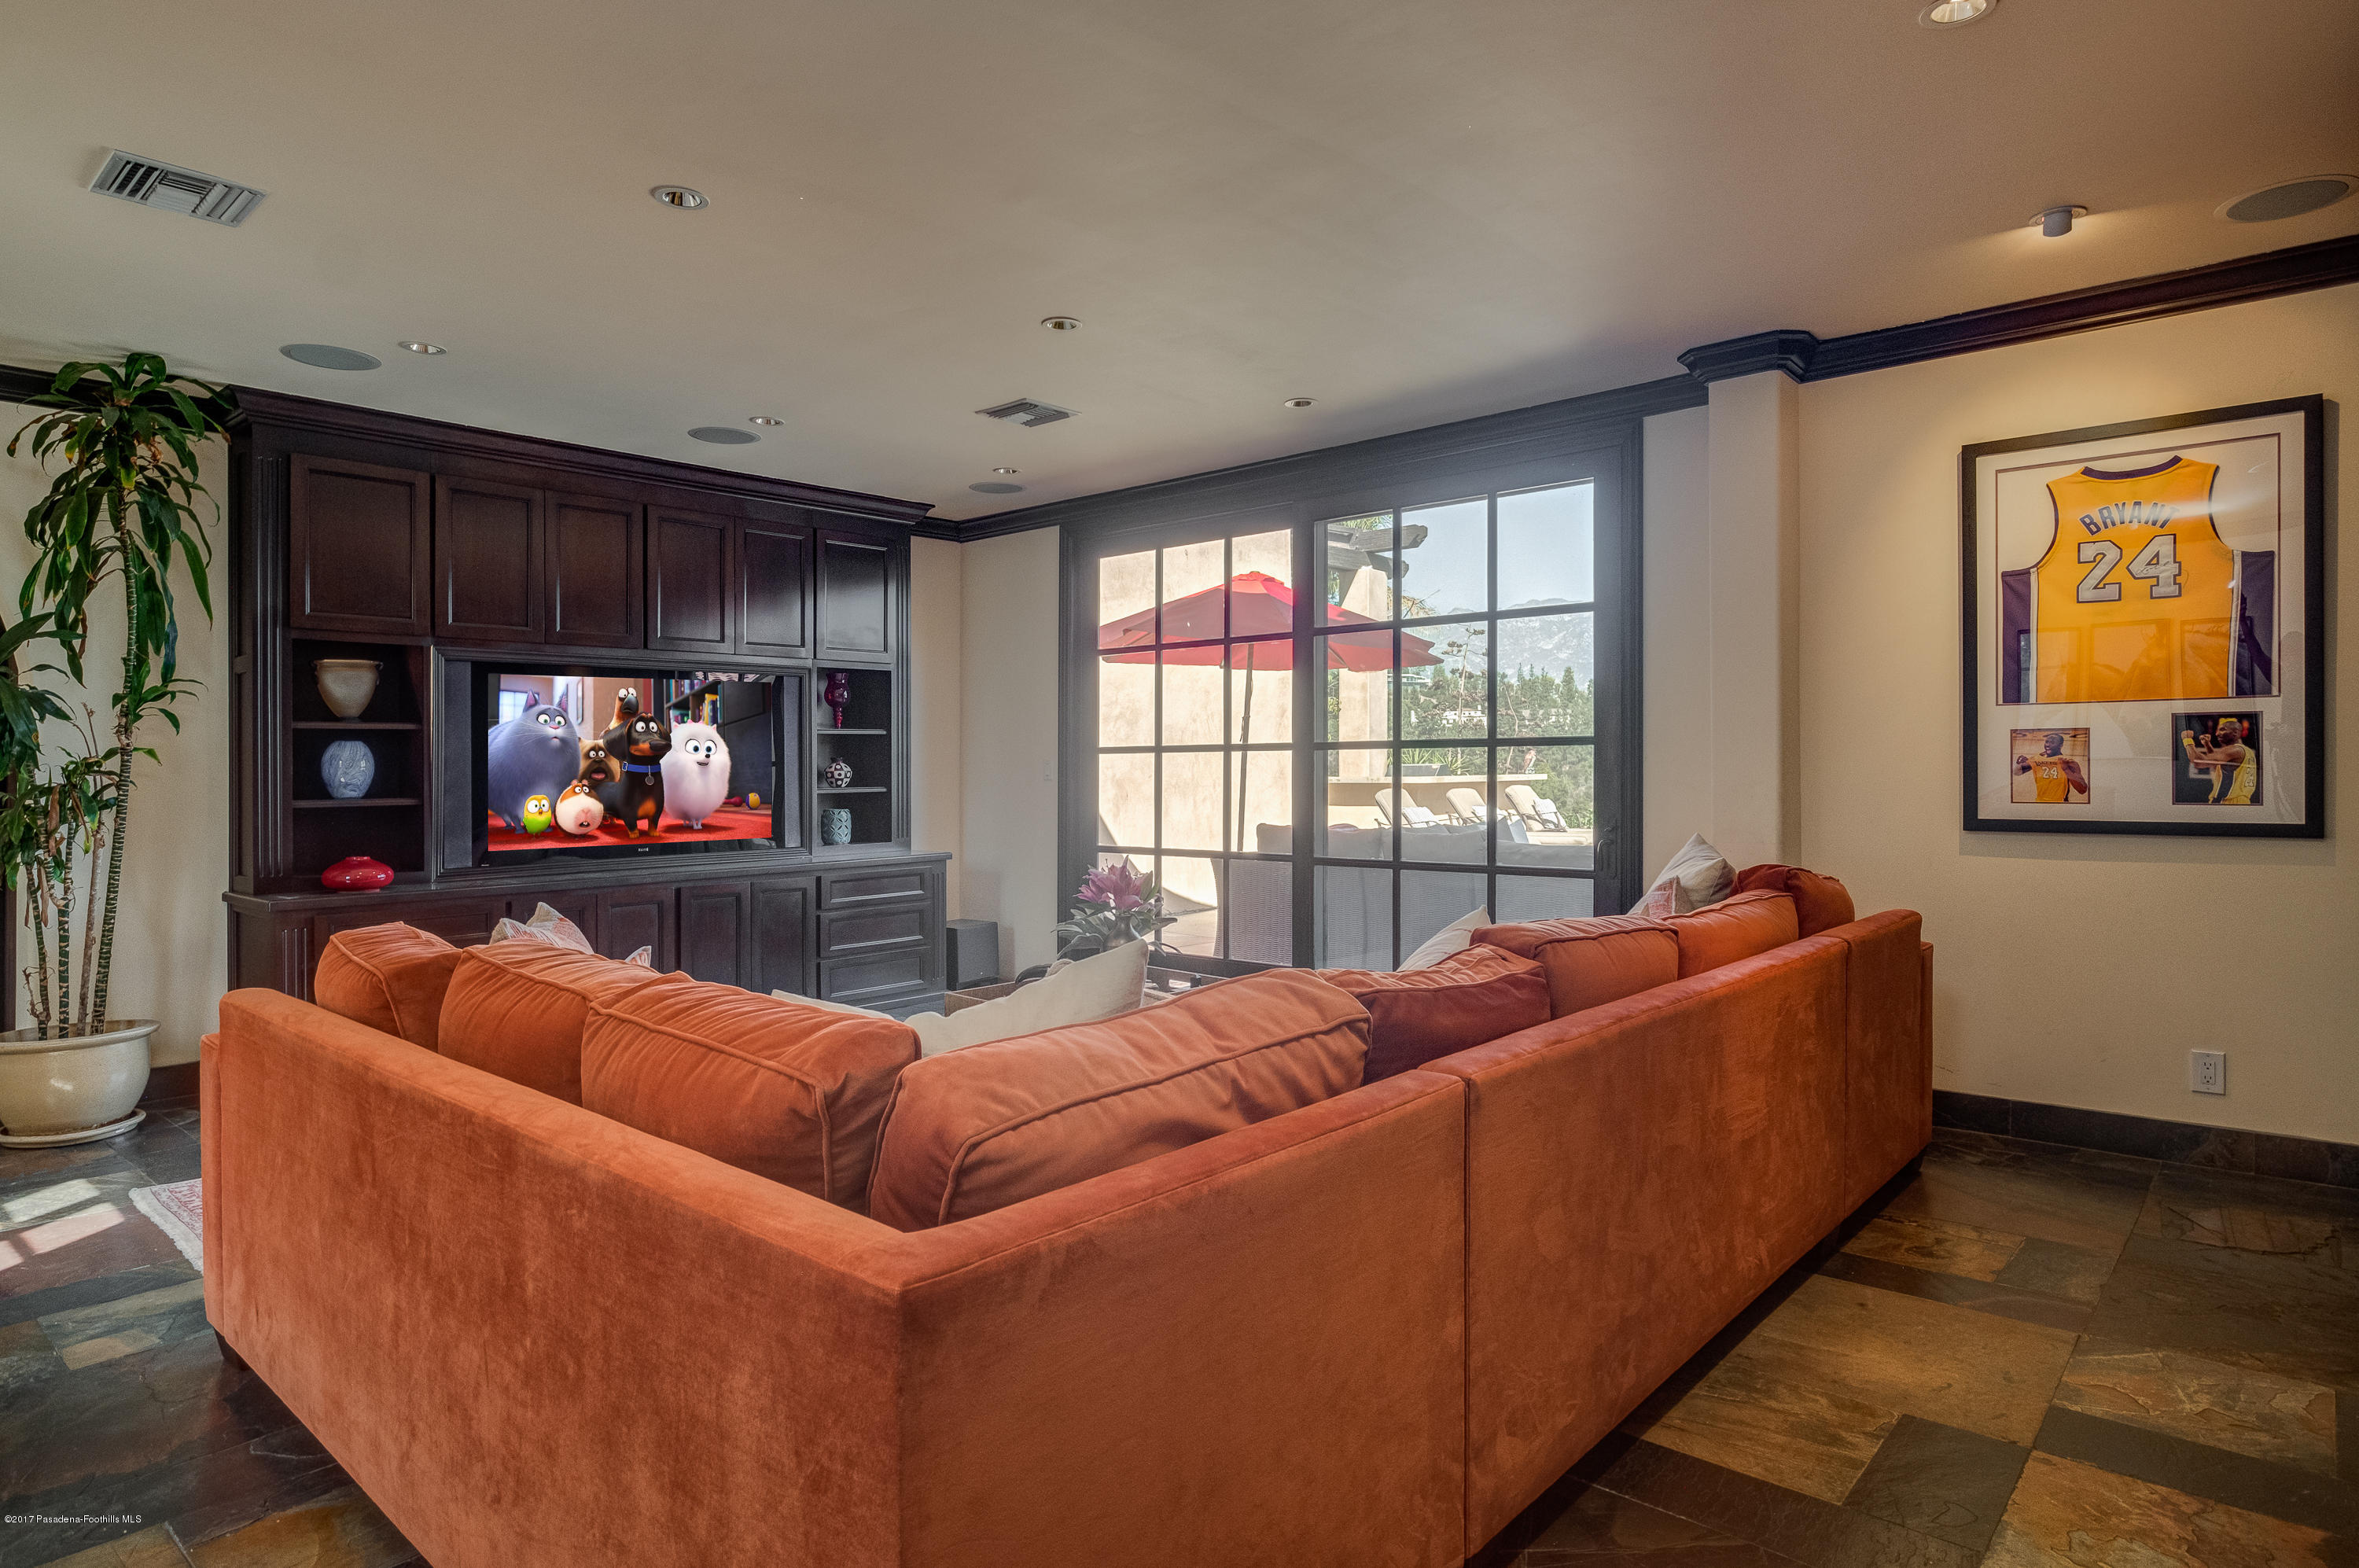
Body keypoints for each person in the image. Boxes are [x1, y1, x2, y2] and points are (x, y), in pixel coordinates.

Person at [2181, 716, 2258, 804]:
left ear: (2235, 732)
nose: (2217, 734)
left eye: (2222, 730)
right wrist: (2207, 744)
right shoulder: (2247, 752)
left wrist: (2187, 740)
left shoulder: (2233, 750)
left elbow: (2197, 762)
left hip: (2227, 802)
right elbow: (2217, 763)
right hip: (2243, 801)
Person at [2014, 731, 2087, 804]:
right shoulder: (2036, 759)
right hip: (2039, 802)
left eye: (2052, 743)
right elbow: (2017, 772)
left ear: (2061, 745)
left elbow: (2082, 790)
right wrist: (2018, 764)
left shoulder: (2069, 762)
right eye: (2047, 742)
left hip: (2060, 804)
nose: (2048, 745)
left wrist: (2067, 770)